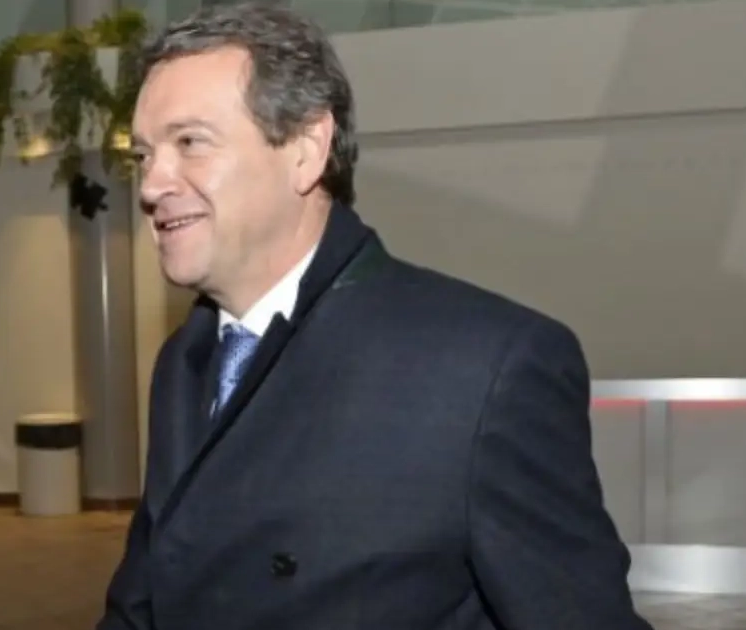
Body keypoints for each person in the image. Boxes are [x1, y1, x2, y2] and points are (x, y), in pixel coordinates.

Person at [100, 4, 653, 629]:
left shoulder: (484, 372)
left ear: (306, 149)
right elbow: (142, 601)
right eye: (143, 155)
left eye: (189, 143)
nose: (151, 185)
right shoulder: (186, 359)